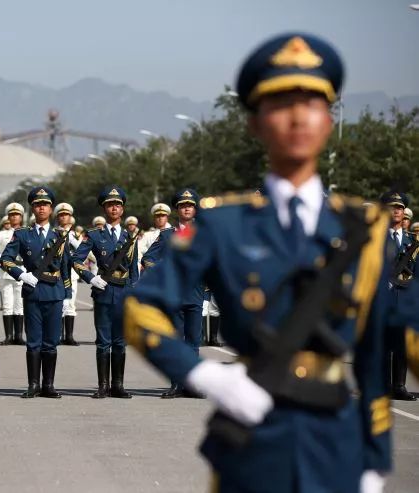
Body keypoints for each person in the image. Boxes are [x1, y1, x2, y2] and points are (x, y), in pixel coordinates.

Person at [123, 33, 397, 492]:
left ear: (329, 120)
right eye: (279, 104)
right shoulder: (222, 224)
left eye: (311, 104)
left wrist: (376, 460)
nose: (296, 117)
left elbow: (375, 356)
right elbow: (140, 308)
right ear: (253, 124)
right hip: (251, 438)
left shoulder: (364, 230)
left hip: (336, 438)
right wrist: (204, 374)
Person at [1, 187, 72, 398]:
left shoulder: (60, 235)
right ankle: (33, 384)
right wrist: (21, 274)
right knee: (34, 341)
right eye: (38, 204)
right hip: (32, 292)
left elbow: (66, 265)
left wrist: (67, 293)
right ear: (32, 208)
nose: (41, 208)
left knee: (51, 341)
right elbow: (5, 259)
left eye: (46, 205)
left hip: (54, 293)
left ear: (51, 209)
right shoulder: (22, 234)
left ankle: (48, 385)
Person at [72, 186, 138, 399]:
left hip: (124, 292)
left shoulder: (130, 237)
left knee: (120, 341)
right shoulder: (94, 235)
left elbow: (134, 269)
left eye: (118, 204)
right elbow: (76, 260)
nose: (114, 208)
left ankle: (117, 385)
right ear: (104, 208)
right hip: (103, 290)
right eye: (110, 205)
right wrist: (92, 278)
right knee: (103, 341)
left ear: (123, 208)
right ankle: (103, 386)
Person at [144, 188, 206, 399]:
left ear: (195, 209)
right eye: (182, 206)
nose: (186, 209)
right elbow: (148, 259)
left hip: (196, 294)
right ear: (177, 210)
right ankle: (176, 384)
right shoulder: (167, 235)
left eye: (189, 205)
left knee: (194, 342)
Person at [381, 191, 417, 401]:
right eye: (392, 206)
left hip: (404, 298)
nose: (397, 210)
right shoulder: (374, 238)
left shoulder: (412, 242)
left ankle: (399, 385)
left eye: (400, 207)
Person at [0, 203, 26, 345]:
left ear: (21, 217)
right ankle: (9, 336)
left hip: (22, 272)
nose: (14, 217)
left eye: (17, 215)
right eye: (12, 215)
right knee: (8, 304)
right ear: (8, 217)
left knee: (19, 304)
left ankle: (19, 336)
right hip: (6, 272)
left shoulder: (28, 232)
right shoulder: (2, 234)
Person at [55, 202, 81, 345]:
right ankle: (58, 335)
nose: (64, 217)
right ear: (57, 217)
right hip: (57, 274)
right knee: (58, 304)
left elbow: (85, 253)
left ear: (71, 217)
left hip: (72, 273)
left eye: (67, 215)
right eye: (61, 215)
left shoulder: (75, 235)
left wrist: (72, 240)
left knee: (70, 304)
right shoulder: (53, 233)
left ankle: (69, 336)